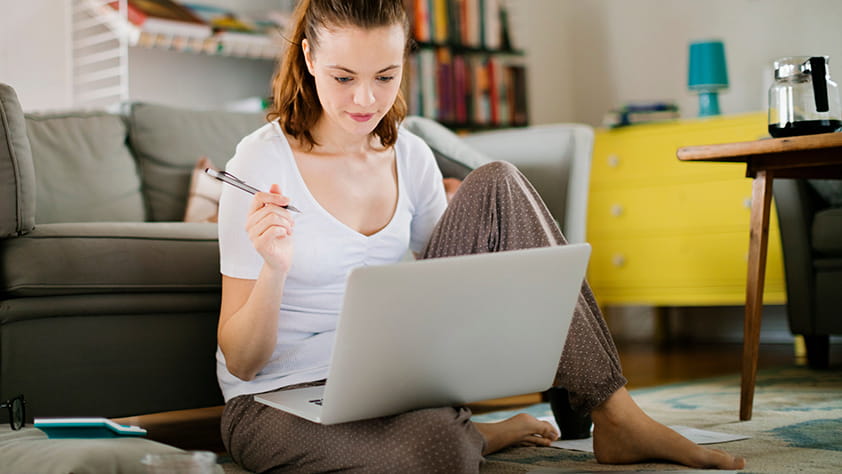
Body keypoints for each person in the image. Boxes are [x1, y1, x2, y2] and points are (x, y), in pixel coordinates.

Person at [215, 0, 747, 472]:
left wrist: (468, 216)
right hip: (275, 400)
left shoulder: (410, 155)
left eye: (385, 76)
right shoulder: (261, 161)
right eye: (343, 77)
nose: (365, 99)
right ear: (309, 59)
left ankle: (619, 417)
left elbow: (444, 288)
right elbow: (241, 361)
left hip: (390, 387)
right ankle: (484, 435)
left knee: (498, 181)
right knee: (436, 451)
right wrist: (274, 267)